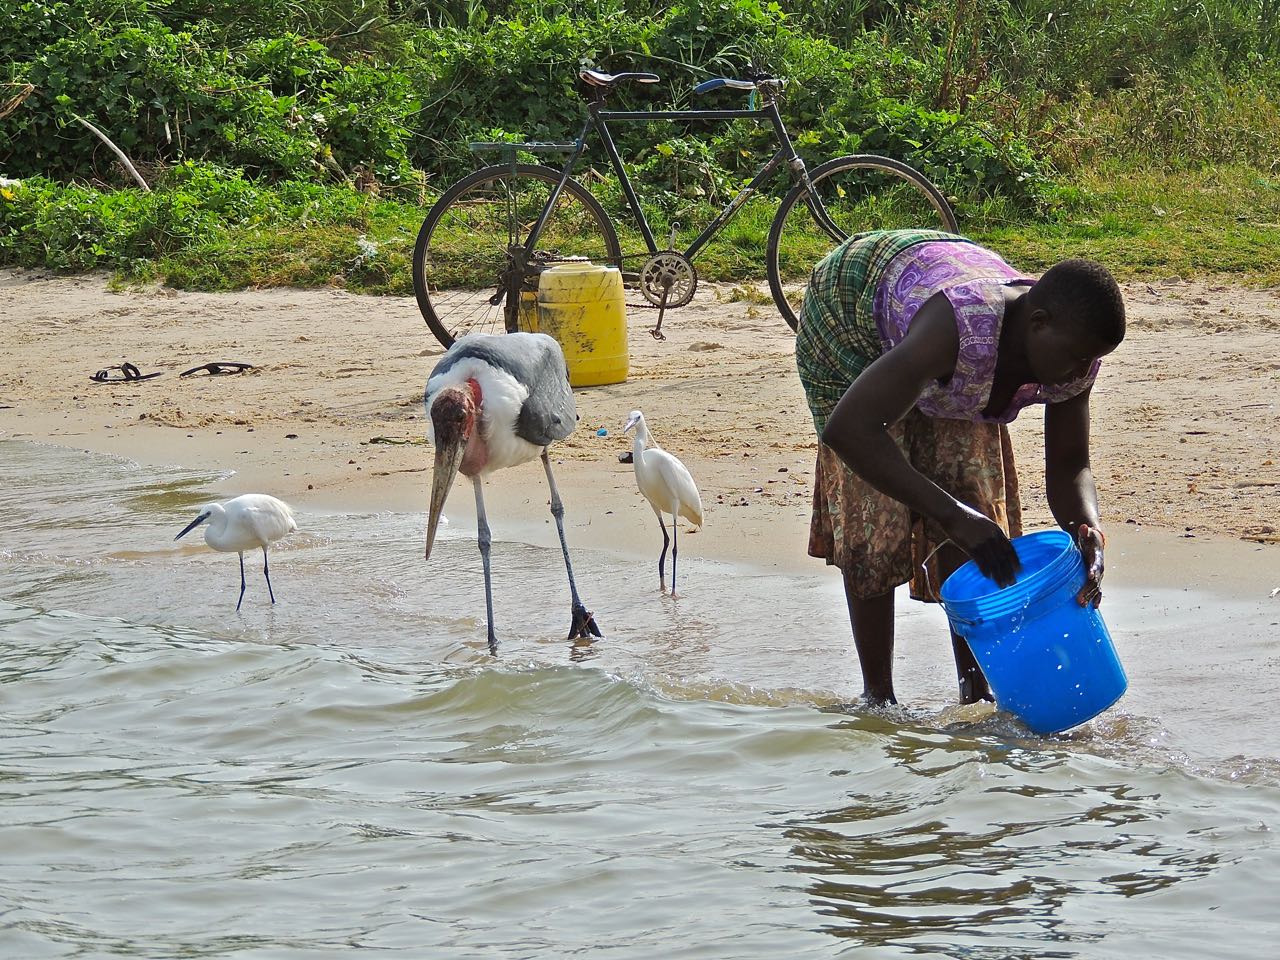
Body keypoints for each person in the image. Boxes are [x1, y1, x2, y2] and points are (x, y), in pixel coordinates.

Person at [795, 229, 1125, 706]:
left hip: (940, 308)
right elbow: (851, 430)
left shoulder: (1073, 352)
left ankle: (977, 691)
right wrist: (949, 516)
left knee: (973, 503)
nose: (1081, 372)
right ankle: (878, 700)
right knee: (875, 511)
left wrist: (1086, 528)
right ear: (1038, 323)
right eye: (1076, 358)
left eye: (1091, 361)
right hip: (850, 311)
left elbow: (1071, 465)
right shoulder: (956, 329)